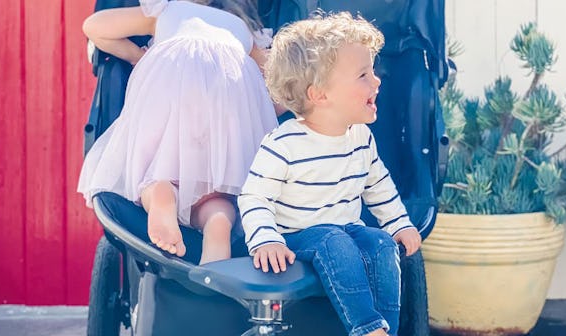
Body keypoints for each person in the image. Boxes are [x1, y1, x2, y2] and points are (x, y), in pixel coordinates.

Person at [238, 12, 423, 336]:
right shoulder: (284, 143)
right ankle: (366, 327)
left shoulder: (360, 137)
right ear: (319, 94)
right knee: (333, 241)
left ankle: (385, 330)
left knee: (380, 244)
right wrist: (265, 240)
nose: (377, 81)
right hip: (297, 236)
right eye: (363, 74)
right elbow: (255, 196)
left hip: (345, 231)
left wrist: (399, 224)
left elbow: (379, 186)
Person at [77, 0, 279, 264]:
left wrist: (137, 56)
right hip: (227, 118)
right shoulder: (239, 28)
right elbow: (280, 88)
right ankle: (217, 226)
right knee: (219, 202)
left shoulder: (167, 12)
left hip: (170, 102)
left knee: (157, 172)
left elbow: (95, 27)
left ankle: (160, 192)